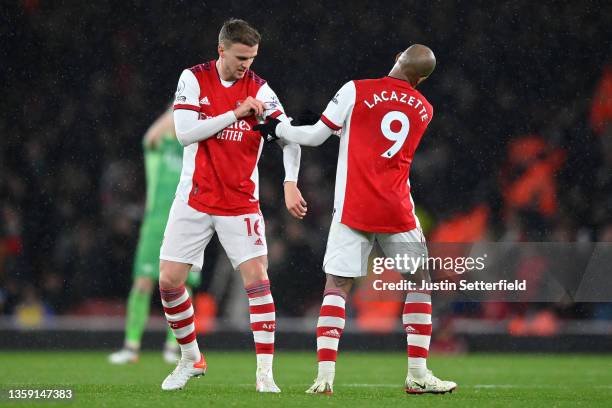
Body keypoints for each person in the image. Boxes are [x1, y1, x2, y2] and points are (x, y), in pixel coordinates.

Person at [255, 44, 457, 395]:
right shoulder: (425, 109)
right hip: (396, 209)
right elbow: (383, 140)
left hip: (354, 208)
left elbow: (317, 136)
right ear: (421, 79)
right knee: (419, 281)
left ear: (396, 57)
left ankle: (325, 377)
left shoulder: (355, 89)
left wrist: (278, 131)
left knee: (337, 286)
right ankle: (418, 374)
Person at [158, 19, 305, 392]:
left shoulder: (260, 89)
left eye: (252, 58)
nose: (246, 66)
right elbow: (184, 132)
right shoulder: (193, 79)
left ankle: (265, 374)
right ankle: (192, 358)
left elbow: (289, 138)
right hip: (194, 197)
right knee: (169, 282)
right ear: (221, 50)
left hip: (240, 203)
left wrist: (290, 183)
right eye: (241, 57)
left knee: (258, 279)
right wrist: (235, 114)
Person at [108, 108, 202, 365]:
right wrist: (177, 105)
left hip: (188, 223)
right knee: (142, 282)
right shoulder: (162, 148)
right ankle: (131, 346)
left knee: (184, 286)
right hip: (155, 224)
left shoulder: (196, 149)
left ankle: (176, 348)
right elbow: (150, 136)